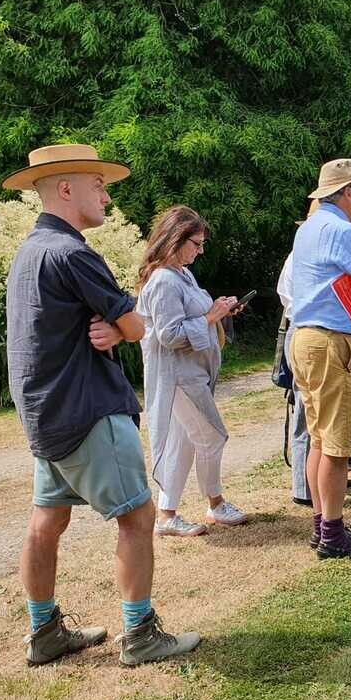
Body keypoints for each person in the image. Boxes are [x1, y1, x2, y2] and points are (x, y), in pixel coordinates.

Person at [4, 143, 199, 666]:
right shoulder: (73, 254)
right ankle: (139, 636)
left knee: (46, 522)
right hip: (88, 410)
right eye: (99, 185)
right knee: (138, 518)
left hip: (45, 415)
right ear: (65, 189)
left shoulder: (29, 253)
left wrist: (113, 327)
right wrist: (119, 327)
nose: (107, 197)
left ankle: (42, 632)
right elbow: (137, 326)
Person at [280, 159, 351, 559]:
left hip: (305, 338)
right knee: (338, 445)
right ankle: (332, 535)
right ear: (347, 192)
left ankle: (323, 527)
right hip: (333, 342)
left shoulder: (309, 229)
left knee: (317, 437)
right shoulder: (344, 233)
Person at [136, 206, 247, 537]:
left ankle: (167, 514)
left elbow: (192, 315)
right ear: (175, 240)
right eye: (196, 244)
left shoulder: (181, 273)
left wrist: (220, 310)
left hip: (190, 373)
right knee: (212, 436)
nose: (200, 251)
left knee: (182, 442)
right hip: (177, 377)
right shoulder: (164, 281)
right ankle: (216, 503)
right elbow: (169, 335)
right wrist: (212, 317)